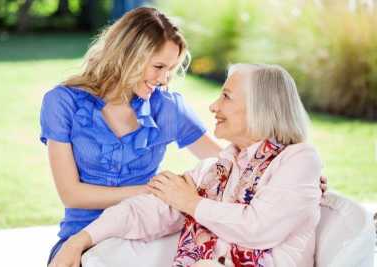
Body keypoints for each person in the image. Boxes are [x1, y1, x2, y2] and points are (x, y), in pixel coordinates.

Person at [49, 64, 324, 267]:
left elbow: (259, 228)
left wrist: (191, 203)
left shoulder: (298, 160)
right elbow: (147, 210)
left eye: (226, 97)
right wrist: (80, 239)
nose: (214, 106)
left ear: (261, 107)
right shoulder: (216, 169)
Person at [40, 7, 222, 266]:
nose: (163, 79)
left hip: (143, 238)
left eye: (170, 69)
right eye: (158, 66)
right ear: (128, 55)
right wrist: (151, 191)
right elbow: (72, 194)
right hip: (78, 241)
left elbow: (225, 161)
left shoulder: (168, 108)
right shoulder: (62, 102)